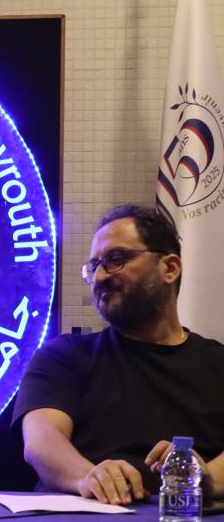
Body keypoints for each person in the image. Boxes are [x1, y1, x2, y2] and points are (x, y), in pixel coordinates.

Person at [14, 204, 224, 505]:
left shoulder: (217, 364)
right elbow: (41, 441)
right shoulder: (63, 356)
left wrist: (204, 478)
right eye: (94, 266)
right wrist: (87, 477)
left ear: (170, 268)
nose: (100, 276)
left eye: (116, 259)